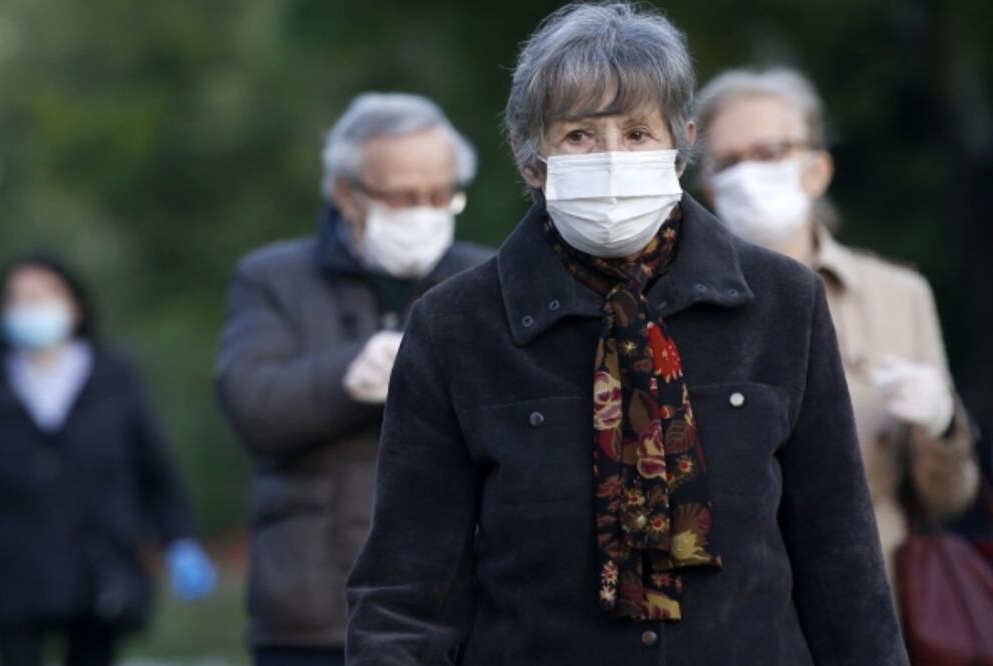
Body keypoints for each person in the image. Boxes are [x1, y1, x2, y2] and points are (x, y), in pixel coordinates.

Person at [346, 4, 907, 665]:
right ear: (531, 159)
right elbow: (405, 592)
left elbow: (839, 557)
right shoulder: (457, 328)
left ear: (681, 144)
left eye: (638, 133)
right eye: (579, 135)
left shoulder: (782, 303)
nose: (612, 157)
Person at [215, 92, 492, 666]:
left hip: (458, 608)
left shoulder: (487, 279)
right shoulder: (273, 278)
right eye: (401, 195)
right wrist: (349, 375)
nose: (423, 211)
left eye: (440, 194)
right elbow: (251, 405)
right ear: (347, 193)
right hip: (312, 615)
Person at [694, 66, 979, 591]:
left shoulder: (899, 295)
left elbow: (948, 497)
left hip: (877, 596)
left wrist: (941, 425)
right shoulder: (682, 306)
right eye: (729, 161)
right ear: (710, 187)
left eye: (769, 153)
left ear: (817, 170)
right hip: (738, 607)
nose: (747, 174)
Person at [0, 254, 216, 666]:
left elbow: (155, 471)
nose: (30, 308)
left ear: (74, 305)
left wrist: (180, 540)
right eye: (17, 299)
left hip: (99, 568)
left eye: (42, 296)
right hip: (11, 574)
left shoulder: (115, 378)